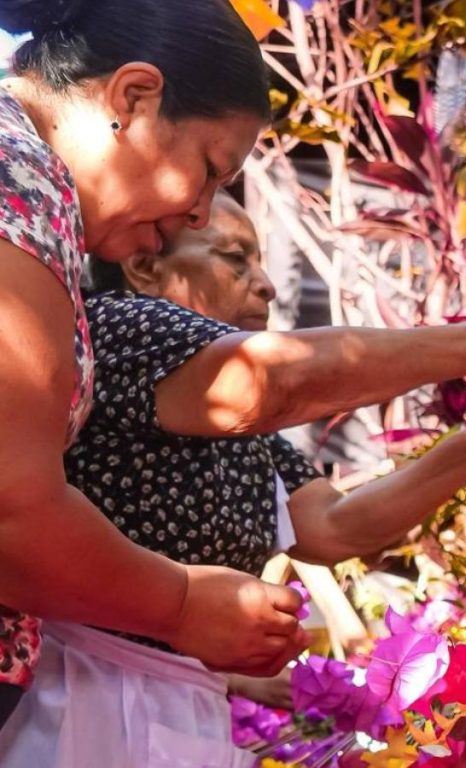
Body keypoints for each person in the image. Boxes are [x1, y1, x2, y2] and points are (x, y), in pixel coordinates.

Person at [0, 191, 466, 765]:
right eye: (235, 259)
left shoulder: (242, 432)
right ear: (146, 266)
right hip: (74, 703)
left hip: (173, 707)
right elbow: (276, 383)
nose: (267, 285)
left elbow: (333, 526)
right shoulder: (115, 327)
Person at [0, 0, 315, 730]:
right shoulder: (20, 186)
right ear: (134, 98)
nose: (200, 214)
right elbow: (12, 510)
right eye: (208, 171)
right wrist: (180, 604)